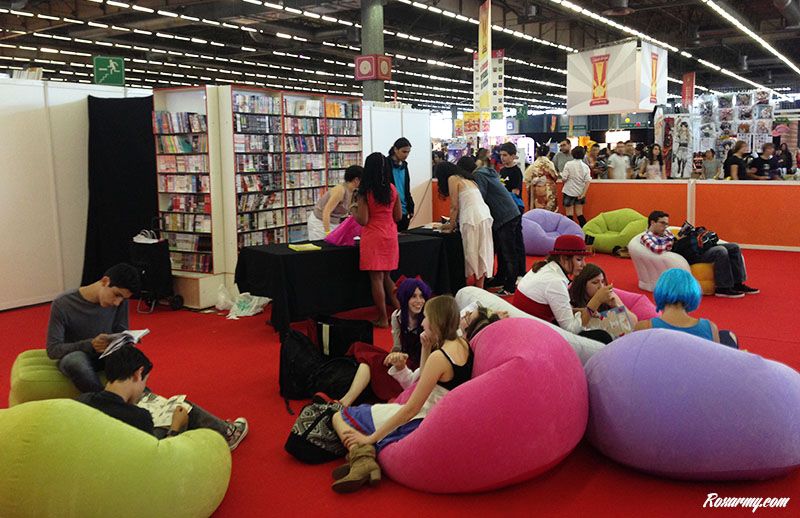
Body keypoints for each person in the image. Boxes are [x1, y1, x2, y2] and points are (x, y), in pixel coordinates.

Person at [330, 295, 474, 493]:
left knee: (339, 416)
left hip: (420, 420)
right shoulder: (464, 344)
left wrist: (370, 438)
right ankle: (364, 460)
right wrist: (426, 348)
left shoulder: (439, 358)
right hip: (436, 415)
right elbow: (426, 380)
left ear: (435, 320)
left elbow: (411, 409)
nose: (422, 322)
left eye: (426, 317)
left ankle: (362, 457)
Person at [77, 345, 249, 449]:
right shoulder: (139, 417)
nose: (142, 387)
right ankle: (227, 433)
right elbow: (157, 459)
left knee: (152, 399)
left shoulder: (83, 400)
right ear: (138, 373)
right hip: (130, 460)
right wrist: (175, 428)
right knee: (182, 407)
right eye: (144, 381)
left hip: (102, 450)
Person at [327, 278, 433, 405]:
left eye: (422, 296)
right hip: (403, 361)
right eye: (413, 296)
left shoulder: (429, 319)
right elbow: (397, 347)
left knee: (374, 361)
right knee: (369, 356)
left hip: (423, 367)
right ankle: (344, 402)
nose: (419, 301)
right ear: (405, 298)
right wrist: (394, 356)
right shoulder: (397, 317)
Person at [46, 263, 140, 393]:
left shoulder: (121, 302)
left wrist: (128, 340)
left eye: (123, 299)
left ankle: (143, 398)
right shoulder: (63, 303)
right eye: (116, 295)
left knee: (134, 358)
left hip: (106, 355)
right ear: (105, 281)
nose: (117, 302)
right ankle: (104, 399)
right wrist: (90, 345)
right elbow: (53, 350)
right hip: (74, 356)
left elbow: (121, 331)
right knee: (76, 361)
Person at [513, 235, 614, 344]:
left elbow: (556, 310)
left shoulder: (546, 267)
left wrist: (582, 311)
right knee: (603, 337)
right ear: (564, 258)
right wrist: (596, 301)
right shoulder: (555, 281)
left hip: (527, 325)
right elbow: (571, 330)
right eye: (579, 259)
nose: (584, 264)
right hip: (532, 335)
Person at [640, 211, 759, 298]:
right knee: (720, 251)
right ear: (652, 222)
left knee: (734, 247)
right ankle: (723, 288)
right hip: (687, 257)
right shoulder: (646, 237)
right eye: (662, 223)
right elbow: (657, 249)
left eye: (666, 224)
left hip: (693, 249)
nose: (665, 227)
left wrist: (684, 237)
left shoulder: (666, 232)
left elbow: (676, 241)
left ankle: (738, 283)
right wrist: (674, 242)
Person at [459, 156, 523, 296]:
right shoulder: (485, 173)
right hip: (507, 213)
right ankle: (500, 278)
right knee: (501, 251)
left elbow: (479, 197)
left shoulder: (478, 176)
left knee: (508, 252)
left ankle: (510, 286)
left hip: (504, 215)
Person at [634, 269, 738, 348]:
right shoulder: (710, 328)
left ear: (659, 291)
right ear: (694, 292)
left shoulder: (644, 327)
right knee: (726, 335)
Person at [355, 152, 402, 327]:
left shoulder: (365, 192)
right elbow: (398, 216)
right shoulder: (392, 189)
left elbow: (363, 220)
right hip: (390, 235)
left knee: (376, 279)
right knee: (388, 277)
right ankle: (401, 312)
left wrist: (353, 210)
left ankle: (382, 318)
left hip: (373, 236)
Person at [435, 162, 494, 289]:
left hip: (471, 218)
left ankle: (464, 288)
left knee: (470, 252)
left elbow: (454, 206)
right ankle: (479, 288)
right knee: (482, 252)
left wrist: (450, 226)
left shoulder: (452, 179)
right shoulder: (469, 180)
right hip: (484, 215)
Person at [569, 263, 637, 338]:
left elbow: (634, 323)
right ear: (582, 284)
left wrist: (616, 306)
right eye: (595, 282)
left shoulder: (609, 296)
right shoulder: (571, 300)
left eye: (602, 281)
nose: (601, 286)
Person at [307, 165, 362, 240]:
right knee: (323, 244)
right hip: (320, 222)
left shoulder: (354, 192)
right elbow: (326, 212)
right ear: (356, 180)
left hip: (334, 223)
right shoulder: (340, 190)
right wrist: (327, 232)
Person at [387, 138, 415, 231]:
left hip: (404, 209)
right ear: (395, 149)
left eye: (408, 152)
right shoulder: (386, 165)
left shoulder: (404, 165)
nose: (406, 155)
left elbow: (406, 189)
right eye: (404, 152)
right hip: (391, 209)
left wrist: (410, 206)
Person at [561, 146, 592, 227]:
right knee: (579, 213)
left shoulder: (568, 164)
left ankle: (571, 231)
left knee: (569, 214)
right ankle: (585, 230)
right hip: (580, 192)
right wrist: (583, 194)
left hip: (569, 191)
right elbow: (588, 181)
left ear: (572, 154)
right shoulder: (585, 167)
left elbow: (564, 178)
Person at [524, 144, 559, 211]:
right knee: (550, 209)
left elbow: (527, 178)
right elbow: (555, 176)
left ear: (537, 153)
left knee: (538, 209)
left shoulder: (534, 164)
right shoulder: (549, 163)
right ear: (548, 153)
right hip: (549, 189)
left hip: (537, 189)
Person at [498, 142, 525, 213]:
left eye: (505, 155)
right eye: (501, 155)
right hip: (503, 206)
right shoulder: (502, 170)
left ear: (513, 156)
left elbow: (515, 193)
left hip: (513, 207)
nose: (502, 157)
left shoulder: (516, 172)